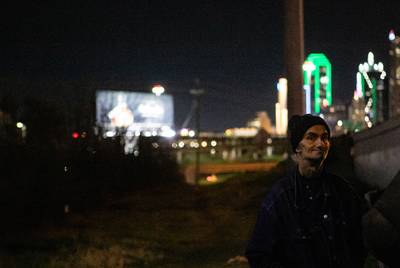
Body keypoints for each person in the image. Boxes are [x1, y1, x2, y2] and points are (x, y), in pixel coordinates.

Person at [245, 114, 366, 268]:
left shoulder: (342, 191)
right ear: (297, 147)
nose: (320, 143)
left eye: (325, 137)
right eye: (311, 137)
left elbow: (361, 240)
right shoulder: (281, 197)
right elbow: (258, 254)